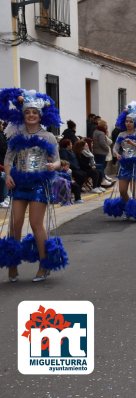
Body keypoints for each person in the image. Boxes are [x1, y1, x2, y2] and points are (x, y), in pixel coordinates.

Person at [0, 88, 68, 282]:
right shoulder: (16, 135)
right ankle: (12, 265)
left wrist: (51, 165)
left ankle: (44, 265)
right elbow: (8, 159)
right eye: (28, 112)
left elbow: (57, 161)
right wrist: (8, 175)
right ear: (24, 115)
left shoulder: (48, 137)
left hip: (39, 184)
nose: (31, 115)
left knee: (36, 224)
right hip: (20, 184)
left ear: (40, 116)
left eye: (34, 113)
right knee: (15, 224)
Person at [103, 101, 136, 221]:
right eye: (126, 121)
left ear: (135, 122)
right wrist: (116, 154)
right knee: (122, 191)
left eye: (131, 121)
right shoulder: (121, 134)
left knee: (135, 190)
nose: (128, 123)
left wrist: (133, 143)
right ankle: (129, 208)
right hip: (124, 164)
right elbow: (115, 148)